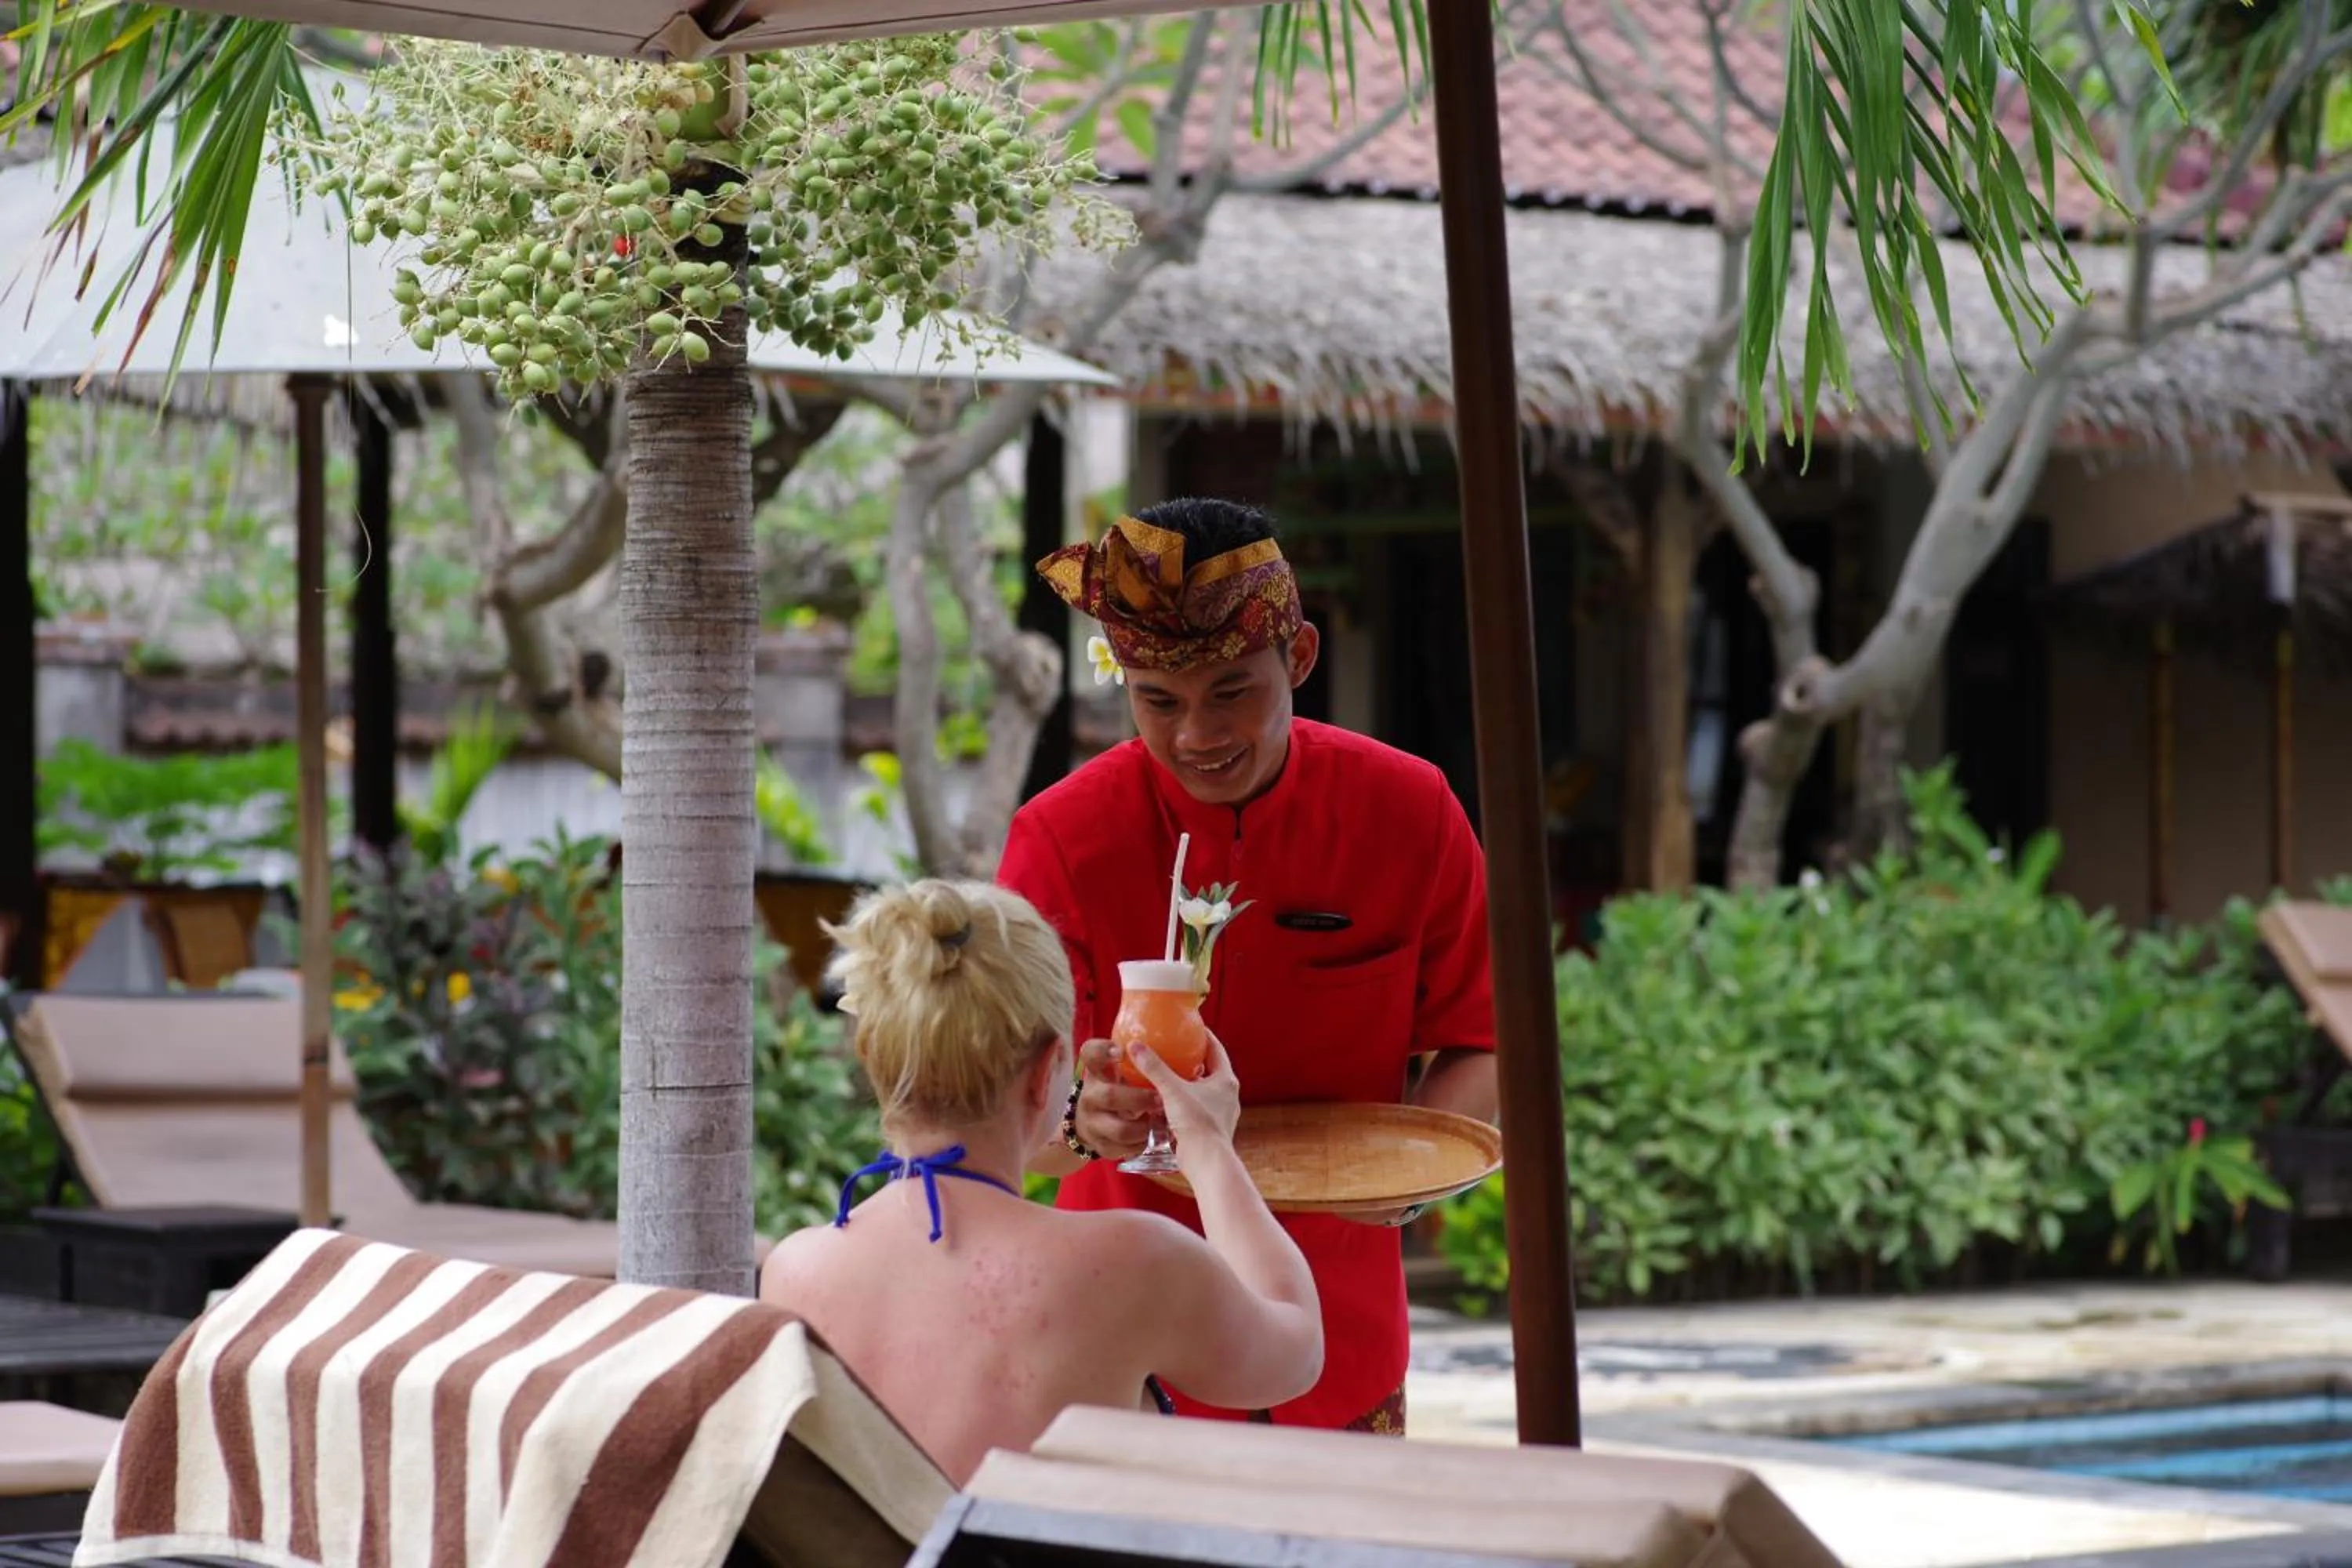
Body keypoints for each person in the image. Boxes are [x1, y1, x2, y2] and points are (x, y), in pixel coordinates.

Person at [1000, 497, 1498, 1436]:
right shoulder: (1060, 838)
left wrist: (1418, 1167)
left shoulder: (1411, 810)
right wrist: (1079, 1119)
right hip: (1118, 1350)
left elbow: (1482, 1038)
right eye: (1159, 700)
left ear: (1299, 658)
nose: (1197, 736)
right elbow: (1006, 1120)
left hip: (1339, 1337)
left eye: (1233, 692)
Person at [757, 878, 1322, 1487]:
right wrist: (1209, 1146)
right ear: (1048, 1069)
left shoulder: (796, 1271)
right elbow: (1295, 1350)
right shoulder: (1131, 1263)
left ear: (872, 1054)